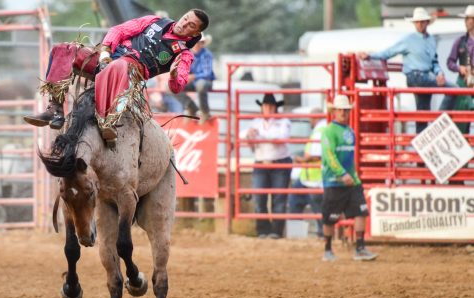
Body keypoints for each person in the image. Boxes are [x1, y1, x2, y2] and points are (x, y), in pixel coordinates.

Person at [24, 9, 209, 145]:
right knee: (63, 49)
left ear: (195, 34)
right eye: (185, 18)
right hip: (106, 59)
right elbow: (119, 30)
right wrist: (105, 52)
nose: (184, 23)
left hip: (130, 73)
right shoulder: (154, 21)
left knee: (121, 65)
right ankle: (55, 109)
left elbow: (177, 86)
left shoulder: (184, 56)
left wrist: (175, 73)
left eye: (191, 25)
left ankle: (108, 120)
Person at [359, 7, 456, 133]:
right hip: (415, 77)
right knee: (453, 89)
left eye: (422, 21)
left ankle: (423, 138)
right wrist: (371, 55)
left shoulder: (431, 40)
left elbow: (434, 61)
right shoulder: (408, 39)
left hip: (426, 77)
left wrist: (440, 73)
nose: (420, 24)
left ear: (427, 22)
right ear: (414, 23)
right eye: (417, 22)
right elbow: (389, 52)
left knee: (423, 111)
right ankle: (439, 121)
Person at [320, 95, 378, 262]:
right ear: (334, 111)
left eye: (346, 110)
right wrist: (341, 173)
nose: (344, 112)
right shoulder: (329, 131)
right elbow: (329, 156)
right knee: (329, 217)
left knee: (361, 211)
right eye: (341, 110)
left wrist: (351, 175)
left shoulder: (349, 131)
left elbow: (348, 157)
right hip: (334, 181)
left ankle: (360, 247)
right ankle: (328, 249)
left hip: (351, 180)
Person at [241, 93, 292, 239]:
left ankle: (275, 231)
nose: (268, 109)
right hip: (263, 162)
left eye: (270, 106)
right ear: (262, 108)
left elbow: (282, 138)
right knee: (260, 198)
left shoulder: (283, 122)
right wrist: (250, 136)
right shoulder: (256, 123)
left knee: (279, 198)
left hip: (279, 162)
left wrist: (258, 136)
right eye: (266, 106)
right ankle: (263, 230)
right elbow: (247, 139)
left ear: (275, 108)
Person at [288, 108, 326, 238]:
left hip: (314, 179)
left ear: (315, 118)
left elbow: (316, 155)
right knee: (296, 203)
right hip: (308, 178)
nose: (309, 121)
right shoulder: (322, 130)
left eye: (310, 118)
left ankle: (299, 235)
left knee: (315, 208)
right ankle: (297, 234)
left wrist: (300, 159)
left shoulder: (319, 131)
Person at [173, 33, 215, 124]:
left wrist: (193, 76)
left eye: (200, 42)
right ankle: (191, 107)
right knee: (171, 85)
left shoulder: (207, 54)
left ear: (203, 43)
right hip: (193, 81)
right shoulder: (187, 54)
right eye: (196, 42)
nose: (197, 44)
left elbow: (207, 74)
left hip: (206, 81)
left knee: (201, 84)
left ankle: (205, 112)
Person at [446, 5, 474, 135]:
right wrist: (459, 68)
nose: (468, 21)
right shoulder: (460, 41)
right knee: (462, 120)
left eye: (471, 19)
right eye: (467, 19)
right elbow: (450, 62)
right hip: (464, 82)